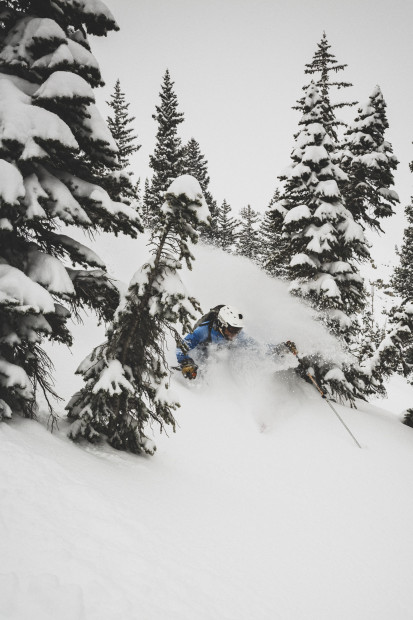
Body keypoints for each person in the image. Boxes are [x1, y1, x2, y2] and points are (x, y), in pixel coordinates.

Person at [176, 304, 246, 380]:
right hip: (202, 358)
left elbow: (251, 344)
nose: (235, 334)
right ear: (222, 324)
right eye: (232, 329)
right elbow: (181, 347)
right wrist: (186, 363)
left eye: (238, 330)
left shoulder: (235, 333)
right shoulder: (203, 330)